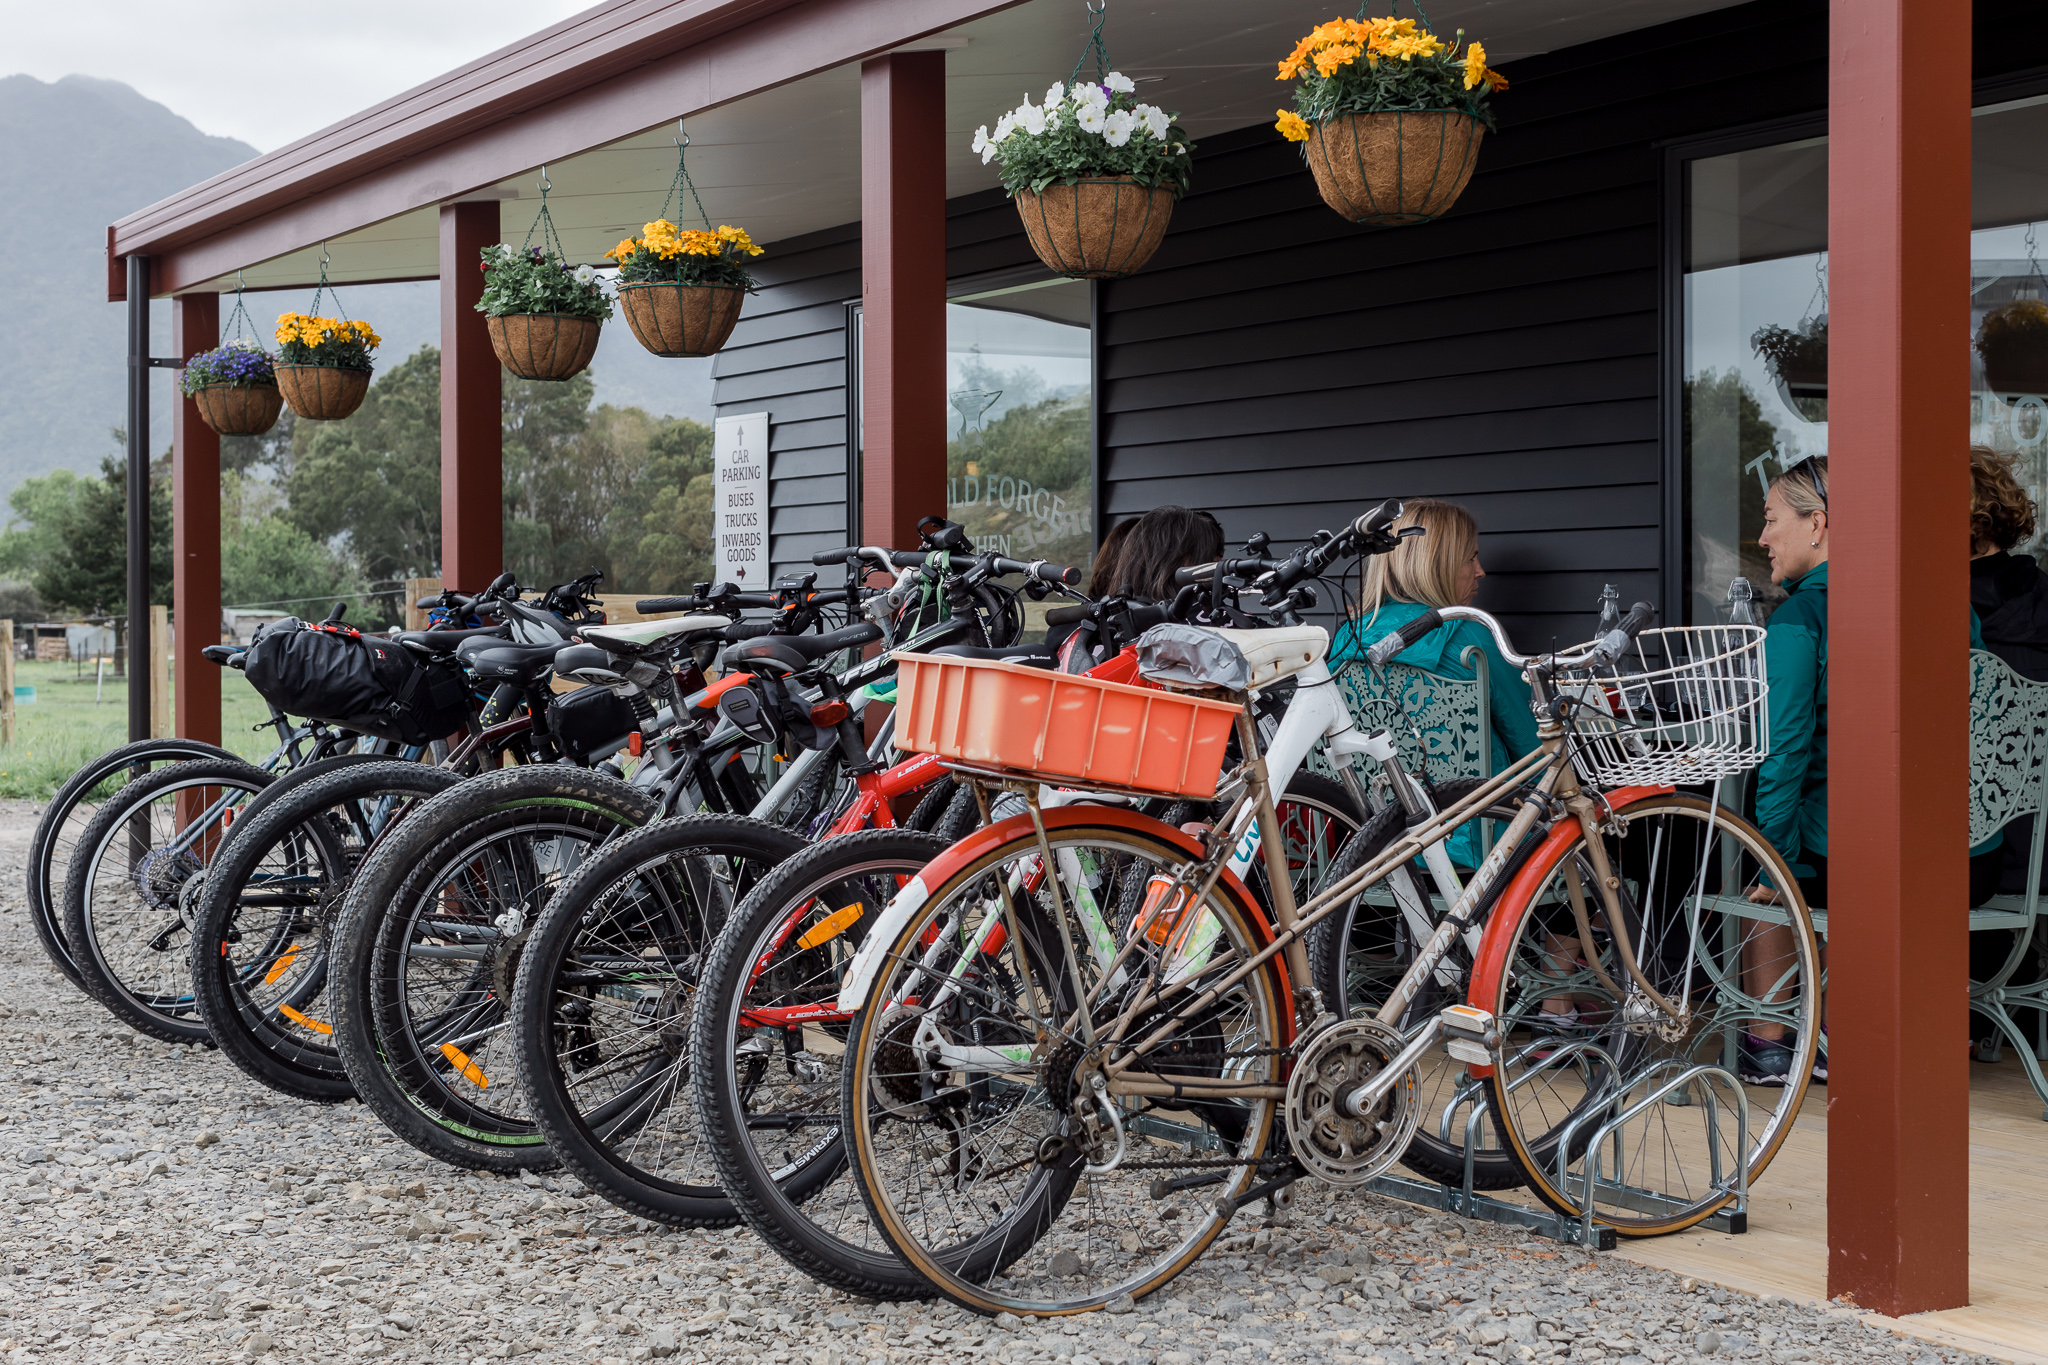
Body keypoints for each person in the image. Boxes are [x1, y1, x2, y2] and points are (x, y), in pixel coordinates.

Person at [1329, 497, 1538, 774]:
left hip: (1374, 812)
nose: (1480, 571)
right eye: (1471, 558)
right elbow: (1533, 746)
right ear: (1437, 565)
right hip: (1480, 811)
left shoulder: (1349, 637)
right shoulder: (1471, 636)